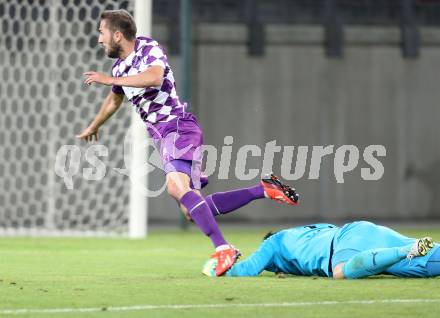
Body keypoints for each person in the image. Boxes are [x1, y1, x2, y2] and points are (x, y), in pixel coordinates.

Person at [76, 9, 299, 276]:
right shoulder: (120, 68)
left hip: (177, 127)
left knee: (175, 186)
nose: (99, 39)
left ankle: (223, 248)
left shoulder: (148, 48)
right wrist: (95, 125)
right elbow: (115, 99)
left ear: (117, 34)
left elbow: (155, 77)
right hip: (165, 136)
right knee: (192, 210)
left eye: (102, 33)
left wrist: (109, 80)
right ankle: (262, 189)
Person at [202, 221, 440, 279]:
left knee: (340, 271)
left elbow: (245, 271)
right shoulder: (307, 230)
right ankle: (409, 249)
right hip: (362, 229)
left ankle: (405, 250)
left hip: (343, 245)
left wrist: (215, 268)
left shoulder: (273, 243)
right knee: (421, 264)